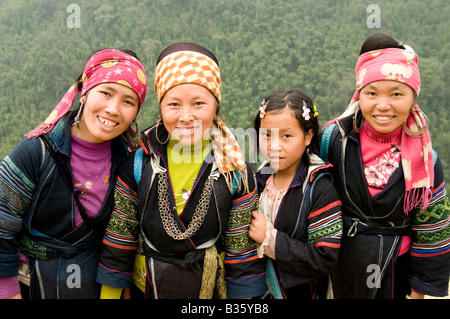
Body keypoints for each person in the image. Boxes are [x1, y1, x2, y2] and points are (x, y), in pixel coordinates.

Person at [97, 43, 266, 299]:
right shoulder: (138, 164)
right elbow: (120, 239)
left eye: (199, 103)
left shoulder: (235, 170)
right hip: (147, 289)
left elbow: (241, 255)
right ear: (161, 108)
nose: (186, 116)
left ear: (216, 106)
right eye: (174, 104)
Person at [0, 49, 148, 299]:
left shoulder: (130, 161)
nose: (113, 109)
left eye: (128, 101)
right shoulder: (36, 152)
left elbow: (126, 235)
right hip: (31, 285)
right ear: (84, 93)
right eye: (106, 93)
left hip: (95, 286)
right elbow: (2, 225)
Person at [320, 33, 450, 299]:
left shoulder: (426, 160)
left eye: (396, 94)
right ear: (360, 95)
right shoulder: (334, 139)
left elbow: (432, 232)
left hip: (394, 273)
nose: (383, 105)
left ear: (413, 97)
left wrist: (418, 293)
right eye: (371, 93)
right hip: (338, 265)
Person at [249, 89, 343, 299]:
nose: (274, 146)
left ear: (308, 136)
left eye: (287, 136)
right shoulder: (256, 180)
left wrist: (269, 239)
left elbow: (324, 256)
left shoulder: (319, 188)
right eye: (267, 135)